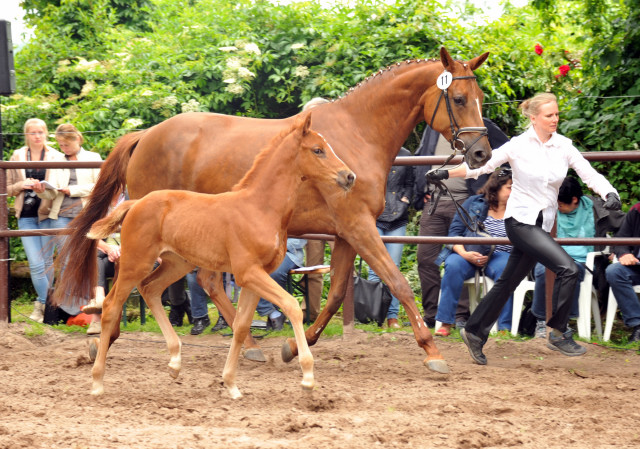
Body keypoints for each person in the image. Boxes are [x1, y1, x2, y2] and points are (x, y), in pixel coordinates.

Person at [429, 92, 621, 364]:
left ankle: (474, 331)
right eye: (549, 115)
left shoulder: (564, 146)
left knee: (508, 281)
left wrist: (608, 193)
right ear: (534, 118)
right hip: (520, 222)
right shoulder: (517, 145)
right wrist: (447, 172)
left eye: (556, 114)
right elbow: (482, 167)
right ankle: (557, 331)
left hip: (542, 225)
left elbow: (589, 173)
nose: (555, 119)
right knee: (568, 268)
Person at [415, 118, 509, 328]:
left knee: (464, 255)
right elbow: (422, 154)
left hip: (466, 201)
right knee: (426, 259)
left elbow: (508, 151)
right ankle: (433, 316)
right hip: (434, 202)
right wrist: (420, 190)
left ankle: (459, 317)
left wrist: (486, 190)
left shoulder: (480, 124)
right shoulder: (433, 126)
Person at [434, 169, 513, 336]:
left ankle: (504, 327)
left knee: (507, 269)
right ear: (496, 187)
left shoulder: (518, 208)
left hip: (500, 254)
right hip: (468, 251)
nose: (513, 192)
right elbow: (454, 233)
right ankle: (446, 323)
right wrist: (464, 254)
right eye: (509, 187)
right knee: (453, 265)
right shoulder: (473, 202)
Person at [41, 124, 102, 332]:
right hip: (60, 216)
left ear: (77, 140)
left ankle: (83, 304)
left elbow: (98, 186)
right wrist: (42, 190)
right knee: (67, 261)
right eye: (60, 145)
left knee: (85, 259)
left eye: (66, 144)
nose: (63, 148)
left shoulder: (93, 158)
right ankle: (72, 307)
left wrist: (71, 190)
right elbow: (50, 193)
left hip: (85, 216)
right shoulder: (56, 160)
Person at [6, 118, 64, 323]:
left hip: (48, 214)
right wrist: (22, 184)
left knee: (47, 263)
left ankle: (43, 307)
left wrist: (44, 188)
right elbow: (7, 188)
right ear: (26, 135)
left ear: (46, 133)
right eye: (33, 133)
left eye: (40, 132)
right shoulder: (18, 155)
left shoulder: (56, 155)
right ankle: (47, 303)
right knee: (36, 264)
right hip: (26, 216)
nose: (37, 136)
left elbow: (59, 187)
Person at [531, 177, 594, 338]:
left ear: (574, 200)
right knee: (542, 270)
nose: (557, 207)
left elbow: (620, 229)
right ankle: (541, 321)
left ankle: (563, 322)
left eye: (560, 204)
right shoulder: (548, 210)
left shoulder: (593, 210)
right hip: (553, 256)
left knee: (569, 272)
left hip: (581, 261)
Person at [367, 147, 414, 328]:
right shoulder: (372, 151)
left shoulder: (406, 154)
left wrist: (406, 200)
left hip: (398, 217)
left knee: (393, 268)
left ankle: (392, 316)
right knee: (375, 269)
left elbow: (410, 183)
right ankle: (373, 315)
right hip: (375, 216)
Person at [301, 97, 332, 323]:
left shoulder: (334, 143)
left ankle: (350, 311)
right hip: (312, 212)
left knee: (344, 265)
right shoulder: (303, 143)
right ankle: (311, 313)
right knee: (313, 266)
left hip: (335, 211)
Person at [605, 202, 640, 342]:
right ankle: (637, 326)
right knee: (614, 271)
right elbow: (620, 239)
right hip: (637, 267)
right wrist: (624, 253)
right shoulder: (637, 210)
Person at [255, 238, 307, 330]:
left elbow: (300, 239)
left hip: (290, 252)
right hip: (265, 251)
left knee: (275, 273)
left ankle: (281, 311)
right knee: (248, 273)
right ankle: (274, 314)